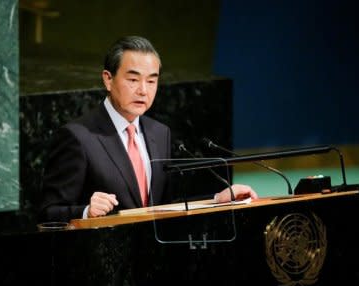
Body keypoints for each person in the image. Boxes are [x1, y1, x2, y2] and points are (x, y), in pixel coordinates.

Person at [39, 36, 258, 222]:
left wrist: (216, 201)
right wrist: (86, 211)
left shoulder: (159, 133)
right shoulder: (78, 136)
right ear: (108, 79)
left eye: (151, 81)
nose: (143, 91)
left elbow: (162, 206)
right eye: (133, 79)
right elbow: (48, 212)